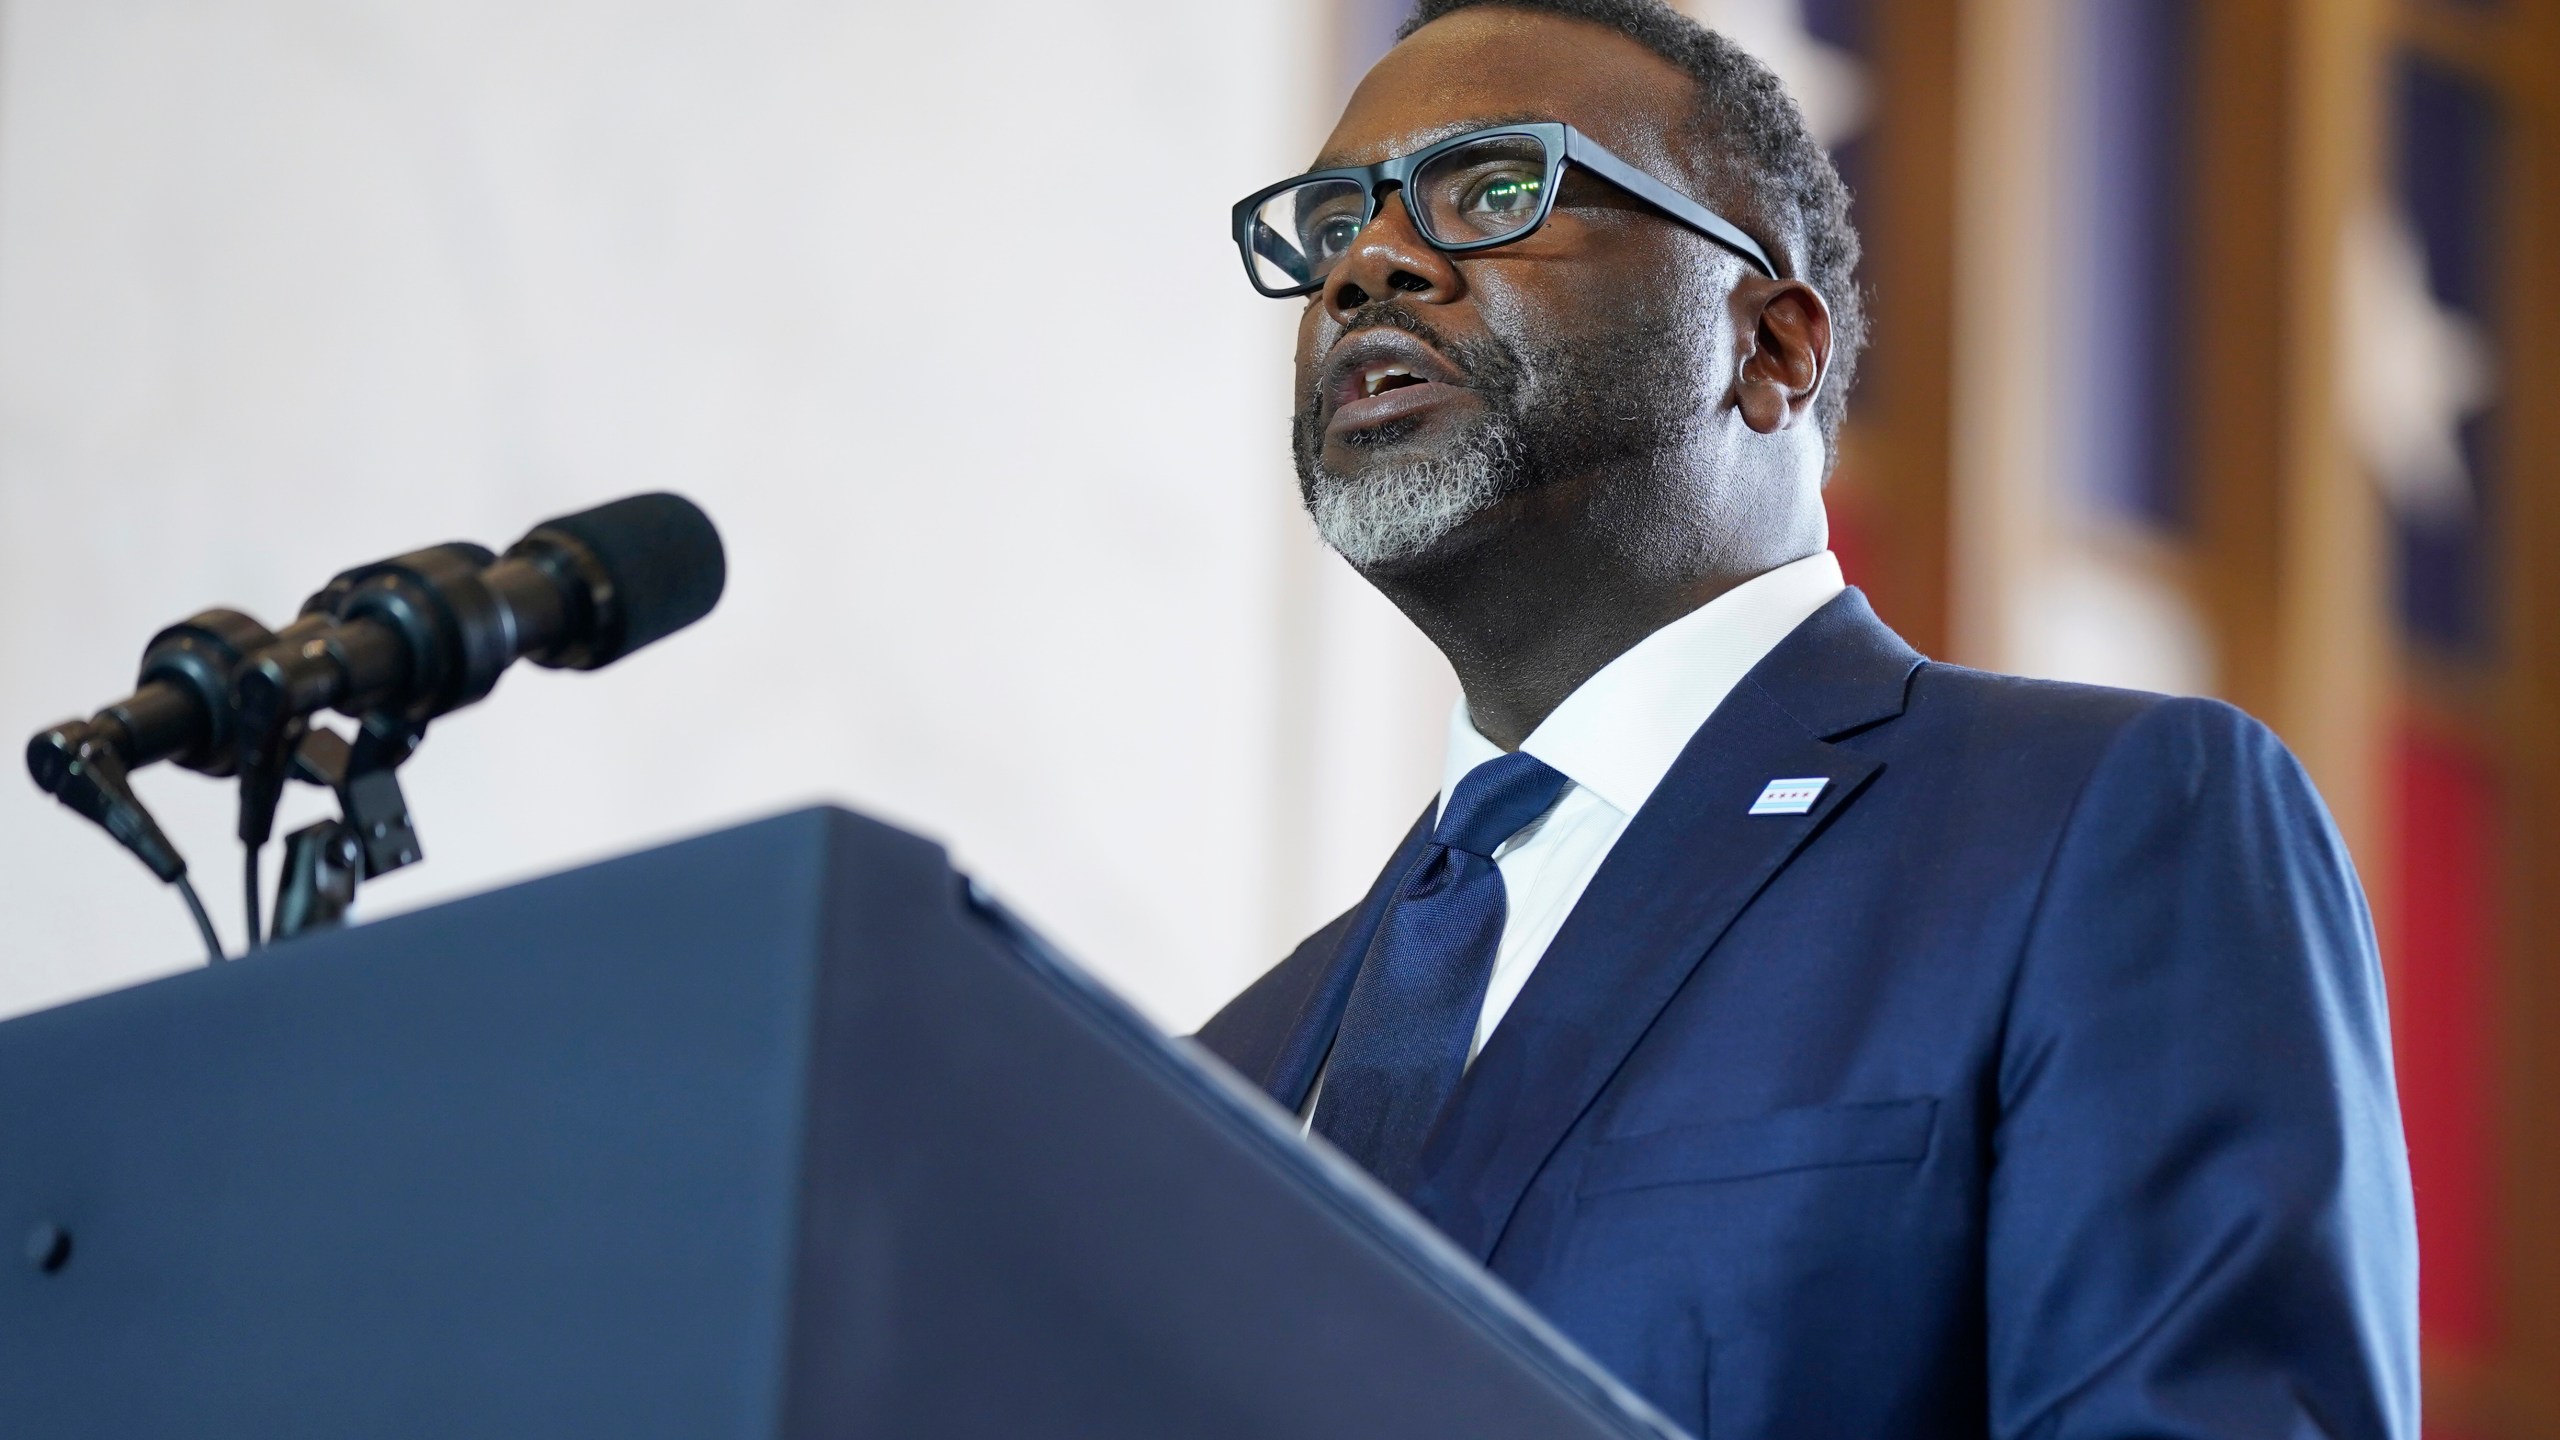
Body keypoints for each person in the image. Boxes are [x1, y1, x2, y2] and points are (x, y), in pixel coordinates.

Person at [1195, 2, 2419, 1435]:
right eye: (1332, 222)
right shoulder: (1228, 1068)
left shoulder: (2100, 827)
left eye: (1495, 190)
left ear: (1771, 349)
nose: (1366, 266)